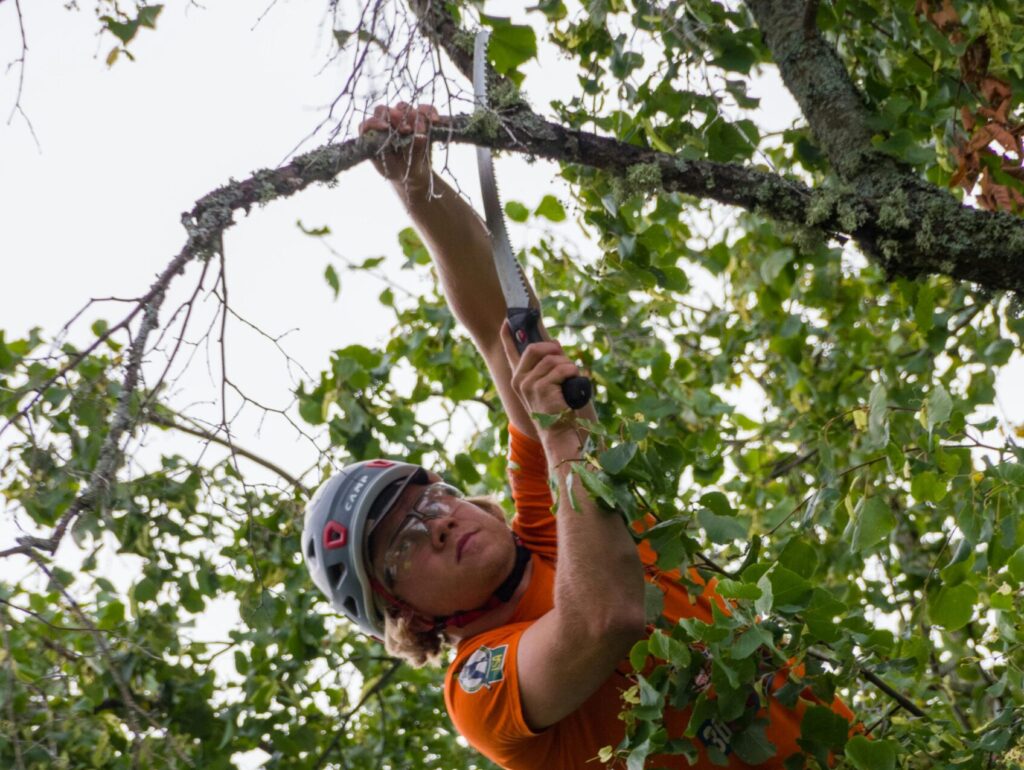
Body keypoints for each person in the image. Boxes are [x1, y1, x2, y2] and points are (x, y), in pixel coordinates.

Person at [301, 103, 854, 769]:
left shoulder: (546, 523)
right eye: (404, 543)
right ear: (407, 616)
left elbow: (499, 330)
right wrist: (565, 439)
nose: (437, 523)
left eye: (429, 500)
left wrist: (415, 183)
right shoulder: (478, 687)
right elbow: (603, 619)